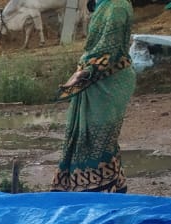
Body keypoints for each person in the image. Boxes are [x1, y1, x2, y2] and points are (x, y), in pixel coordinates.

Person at [51, 0, 135, 192]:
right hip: (96, 80)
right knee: (85, 137)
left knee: (98, 140)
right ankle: (102, 188)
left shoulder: (117, 7)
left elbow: (110, 49)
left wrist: (86, 71)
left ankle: (98, 190)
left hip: (109, 82)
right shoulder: (103, 5)